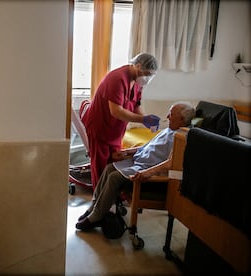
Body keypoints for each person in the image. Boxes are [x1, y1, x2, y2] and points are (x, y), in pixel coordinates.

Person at [76, 101, 196, 231]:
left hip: (147, 171)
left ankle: (97, 216)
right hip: (138, 162)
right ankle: (94, 206)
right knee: (109, 167)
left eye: (171, 114)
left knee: (114, 178)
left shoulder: (182, 138)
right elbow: (146, 147)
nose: (167, 116)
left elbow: (171, 163)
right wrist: (126, 152)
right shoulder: (169, 130)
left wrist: (148, 173)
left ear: (182, 120)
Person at [80, 53, 161, 190]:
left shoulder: (136, 83)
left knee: (115, 163)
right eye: (146, 73)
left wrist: (147, 121)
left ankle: (112, 197)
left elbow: (136, 105)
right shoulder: (117, 78)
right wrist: (143, 119)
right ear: (138, 66)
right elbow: (116, 111)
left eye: (150, 75)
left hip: (116, 132)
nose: (147, 78)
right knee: (100, 168)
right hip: (101, 127)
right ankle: (99, 202)